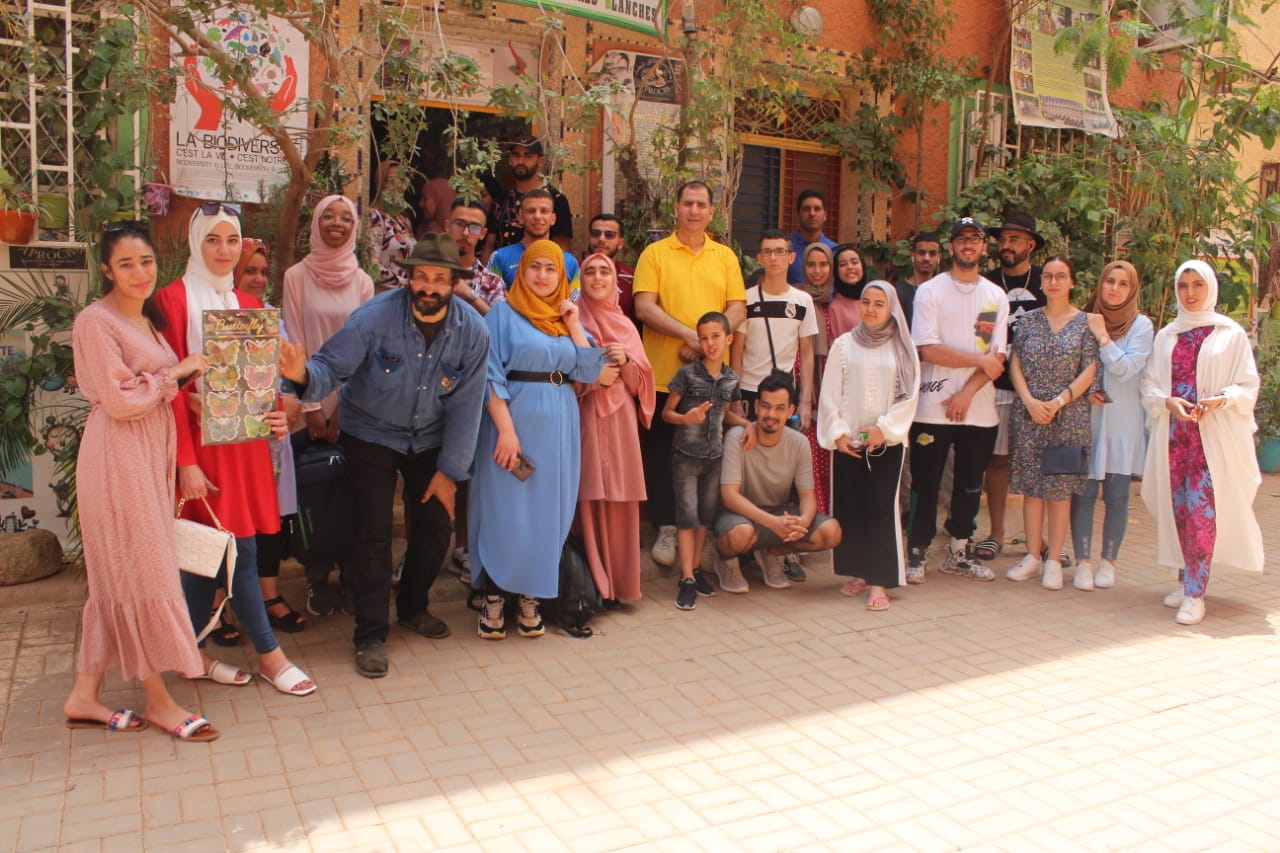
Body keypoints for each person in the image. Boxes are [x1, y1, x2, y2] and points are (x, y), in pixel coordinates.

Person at [278, 234, 491, 675]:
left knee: (435, 528)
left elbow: (469, 405)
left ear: (454, 283)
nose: (429, 286)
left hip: (430, 438)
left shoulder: (473, 331)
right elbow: (329, 368)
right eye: (421, 276)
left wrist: (450, 471)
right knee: (373, 534)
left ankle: (413, 607)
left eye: (439, 278)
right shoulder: (373, 318)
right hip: (370, 434)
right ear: (409, 278)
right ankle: (371, 634)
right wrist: (300, 374)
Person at [63, 223, 219, 742]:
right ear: (106, 269)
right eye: (126, 264)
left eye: (147, 261)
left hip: (146, 456)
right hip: (117, 458)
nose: (139, 272)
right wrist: (177, 373)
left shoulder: (147, 320)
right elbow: (123, 399)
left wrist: (184, 387)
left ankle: (83, 696)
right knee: (143, 572)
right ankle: (158, 701)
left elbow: (151, 391)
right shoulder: (95, 321)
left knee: (123, 572)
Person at [152, 203, 316, 698]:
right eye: (212, 240)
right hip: (199, 450)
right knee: (235, 550)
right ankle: (270, 656)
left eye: (231, 240)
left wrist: (275, 418)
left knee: (207, 553)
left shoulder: (248, 307)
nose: (223, 251)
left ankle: (190, 655)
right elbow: (165, 384)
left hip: (244, 448)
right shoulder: (171, 301)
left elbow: (261, 385)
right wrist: (185, 462)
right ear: (195, 244)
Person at [469, 240, 614, 639]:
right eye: (535, 267)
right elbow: (489, 375)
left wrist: (572, 323)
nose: (542, 276)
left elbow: (589, 371)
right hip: (512, 424)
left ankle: (532, 597)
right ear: (522, 271)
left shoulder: (567, 318)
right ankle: (494, 595)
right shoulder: (502, 314)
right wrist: (506, 430)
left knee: (549, 512)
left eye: (551, 269)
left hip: (560, 425)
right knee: (506, 509)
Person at [1139, 260, 1264, 625]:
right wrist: (1166, 401)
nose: (1190, 293)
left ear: (1210, 288)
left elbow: (1247, 385)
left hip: (1212, 439)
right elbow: (1149, 383)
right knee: (1179, 510)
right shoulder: (1167, 336)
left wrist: (1221, 399)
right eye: (1183, 286)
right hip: (1175, 438)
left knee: (1202, 512)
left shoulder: (1230, 334)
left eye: (1197, 285)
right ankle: (1185, 577)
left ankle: (1196, 592)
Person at [634, 180, 747, 567]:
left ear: (711, 212)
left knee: (710, 457)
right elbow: (644, 307)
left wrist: (704, 342)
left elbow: (737, 308)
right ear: (676, 209)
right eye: (687, 204)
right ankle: (667, 527)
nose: (694, 211)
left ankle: (703, 532)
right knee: (667, 454)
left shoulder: (725, 257)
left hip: (715, 381)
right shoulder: (655, 254)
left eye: (701, 205)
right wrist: (691, 336)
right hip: (666, 377)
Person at [282, 195, 375, 615]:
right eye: (328, 216)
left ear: (354, 227)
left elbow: (366, 350)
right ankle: (318, 580)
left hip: (352, 408)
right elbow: (295, 343)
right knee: (314, 495)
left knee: (354, 496)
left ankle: (353, 579)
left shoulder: (363, 282)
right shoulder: (296, 277)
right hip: (307, 404)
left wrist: (343, 407)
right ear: (316, 222)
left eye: (345, 218)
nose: (336, 223)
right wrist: (313, 405)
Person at [905, 217, 1009, 584]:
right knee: (926, 483)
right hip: (932, 407)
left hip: (978, 410)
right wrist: (977, 360)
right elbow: (928, 349)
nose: (968, 245)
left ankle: (959, 553)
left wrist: (966, 391)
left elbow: (995, 359)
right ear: (951, 247)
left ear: (984, 248)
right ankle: (916, 552)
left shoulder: (995, 296)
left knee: (969, 484)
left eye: (975, 239)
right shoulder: (931, 291)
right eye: (961, 239)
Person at [818, 281, 920, 611]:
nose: (871, 309)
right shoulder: (844, 345)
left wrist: (882, 430)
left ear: (891, 309)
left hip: (885, 442)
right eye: (866, 302)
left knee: (879, 508)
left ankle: (879, 580)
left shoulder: (903, 348)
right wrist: (838, 433)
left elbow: (910, 396)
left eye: (879, 303)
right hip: (849, 441)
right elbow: (830, 393)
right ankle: (860, 572)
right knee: (852, 508)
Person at [1003, 256, 1099, 590]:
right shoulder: (1027, 321)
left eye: (1061, 276)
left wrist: (1059, 401)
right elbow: (1014, 362)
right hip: (1030, 414)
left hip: (1067, 415)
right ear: (1041, 282)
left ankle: (1054, 559)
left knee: (1059, 491)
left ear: (1072, 282)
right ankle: (1032, 555)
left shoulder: (1086, 322)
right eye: (1048, 276)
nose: (1054, 282)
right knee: (1032, 488)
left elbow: (1090, 369)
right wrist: (1029, 401)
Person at [1067, 260, 1153, 590]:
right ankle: (1083, 562)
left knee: (1117, 496)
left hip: (1123, 424)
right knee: (1084, 494)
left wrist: (1103, 336)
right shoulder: (1083, 318)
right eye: (1109, 281)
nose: (1114, 289)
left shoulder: (1141, 326)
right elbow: (1071, 366)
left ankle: (1108, 562)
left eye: (1123, 284)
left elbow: (1126, 370)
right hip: (1088, 421)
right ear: (1100, 285)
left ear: (1132, 290)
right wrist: (1085, 390)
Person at [714, 372, 842, 591]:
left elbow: (807, 495)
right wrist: (773, 524)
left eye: (779, 408)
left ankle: (773, 554)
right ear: (756, 407)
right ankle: (726, 562)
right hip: (742, 516)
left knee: (831, 531)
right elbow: (729, 496)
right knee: (739, 535)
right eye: (765, 406)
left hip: (779, 514)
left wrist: (802, 521)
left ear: (790, 411)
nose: (771, 414)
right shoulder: (737, 436)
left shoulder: (800, 443)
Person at [575, 253, 655, 605]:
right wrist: (593, 376)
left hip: (620, 417)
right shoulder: (571, 319)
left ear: (613, 280)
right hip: (586, 412)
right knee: (588, 493)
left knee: (620, 496)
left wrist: (625, 362)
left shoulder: (625, 325)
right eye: (589, 272)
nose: (597, 278)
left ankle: (620, 588)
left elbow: (641, 387)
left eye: (604, 272)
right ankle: (593, 588)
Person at [235, 238, 303, 633]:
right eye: (250, 271)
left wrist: (292, 401)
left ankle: (269, 596)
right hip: (231, 440)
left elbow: (292, 372)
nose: (259, 278)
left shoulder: (272, 320)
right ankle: (221, 603)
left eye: (263, 271)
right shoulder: (215, 318)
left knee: (271, 519)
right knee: (231, 521)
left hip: (273, 437)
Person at [975, 211, 1046, 562]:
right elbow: (981, 337)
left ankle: (1040, 538)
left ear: (1030, 245)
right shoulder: (987, 285)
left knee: (1036, 463)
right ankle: (996, 534)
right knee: (997, 461)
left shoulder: (1044, 284)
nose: (1006, 245)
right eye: (1003, 239)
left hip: (1037, 389)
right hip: (997, 385)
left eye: (1015, 239)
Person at [664, 312, 748, 609]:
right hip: (686, 456)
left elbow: (726, 413)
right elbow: (667, 413)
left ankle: (696, 570)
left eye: (716, 337)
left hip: (715, 456)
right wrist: (686, 417)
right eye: (704, 337)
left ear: (728, 339)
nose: (710, 343)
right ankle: (685, 578)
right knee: (686, 518)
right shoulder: (687, 374)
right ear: (698, 341)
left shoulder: (730, 378)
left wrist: (748, 425)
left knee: (704, 519)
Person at [443, 198, 507, 582]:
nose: (465, 234)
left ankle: (464, 549)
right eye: (459, 224)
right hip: (428, 391)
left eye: (474, 228)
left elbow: (503, 332)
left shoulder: (492, 283)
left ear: (483, 235)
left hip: (475, 392)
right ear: (447, 225)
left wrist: (468, 295)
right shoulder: (427, 274)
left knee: (466, 474)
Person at [731, 229, 817, 424]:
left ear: (792, 257)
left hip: (783, 392)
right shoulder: (746, 299)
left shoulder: (803, 301)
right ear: (759, 258)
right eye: (767, 252)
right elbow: (736, 351)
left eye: (780, 251)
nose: (773, 258)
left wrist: (804, 402)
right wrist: (735, 398)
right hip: (749, 389)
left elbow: (806, 352)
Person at [798, 242, 835, 518]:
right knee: (808, 454)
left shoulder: (836, 300)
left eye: (823, 264)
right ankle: (813, 514)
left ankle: (828, 515)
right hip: (807, 381)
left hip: (831, 383)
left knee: (828, 452)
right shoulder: (796, 297)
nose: (817, 270)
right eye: (811, 264)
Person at [488, 188, 581, 293]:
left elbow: (575, 303)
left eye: (544, 211)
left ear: (553, 219)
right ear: (520, 217)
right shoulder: (499, 258)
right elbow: (491, 302)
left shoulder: (569, 262)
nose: (537, 216)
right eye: (531, 211)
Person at [493, 135, 574, 252]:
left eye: (528, 156)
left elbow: (562, 248)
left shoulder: (556, 199)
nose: (521, 161)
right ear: (510, 159)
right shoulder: (501, 199)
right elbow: (490, 244)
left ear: (540, 161)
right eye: (516, 155)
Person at [369, 160, 417, 291]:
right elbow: (372, 265)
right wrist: (404, 284)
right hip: (384, 295)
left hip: (406, 295)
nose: (395, 186)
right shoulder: (374, 217)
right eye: (389, 180)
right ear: (379, 184)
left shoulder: (404, 220)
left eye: (400, 180)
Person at [586, 213, 636, 322]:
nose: (601, 239)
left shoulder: (632, 277)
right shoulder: (574, 271)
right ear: (589, 238)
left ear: (620, 243)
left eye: (609, 235)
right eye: (596, 233)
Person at [894, 231, 942, 330]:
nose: (927, 258)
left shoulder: (945, 291)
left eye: (932, 254)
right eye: (921, 253)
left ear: (939, 257)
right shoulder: (898, 293)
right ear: (913, 255)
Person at [787, 189, 837, 283]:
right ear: (798, 214)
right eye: (806, 209)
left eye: (817, 209)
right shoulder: (786, 248)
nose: (812, 214)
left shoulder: (835, 250)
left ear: (825, 215)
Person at [828, 243, 869, 339]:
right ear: (836, 271)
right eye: (843, 264)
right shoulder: (835, 308)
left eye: (854, 262)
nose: (850, 267)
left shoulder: (873, 298)